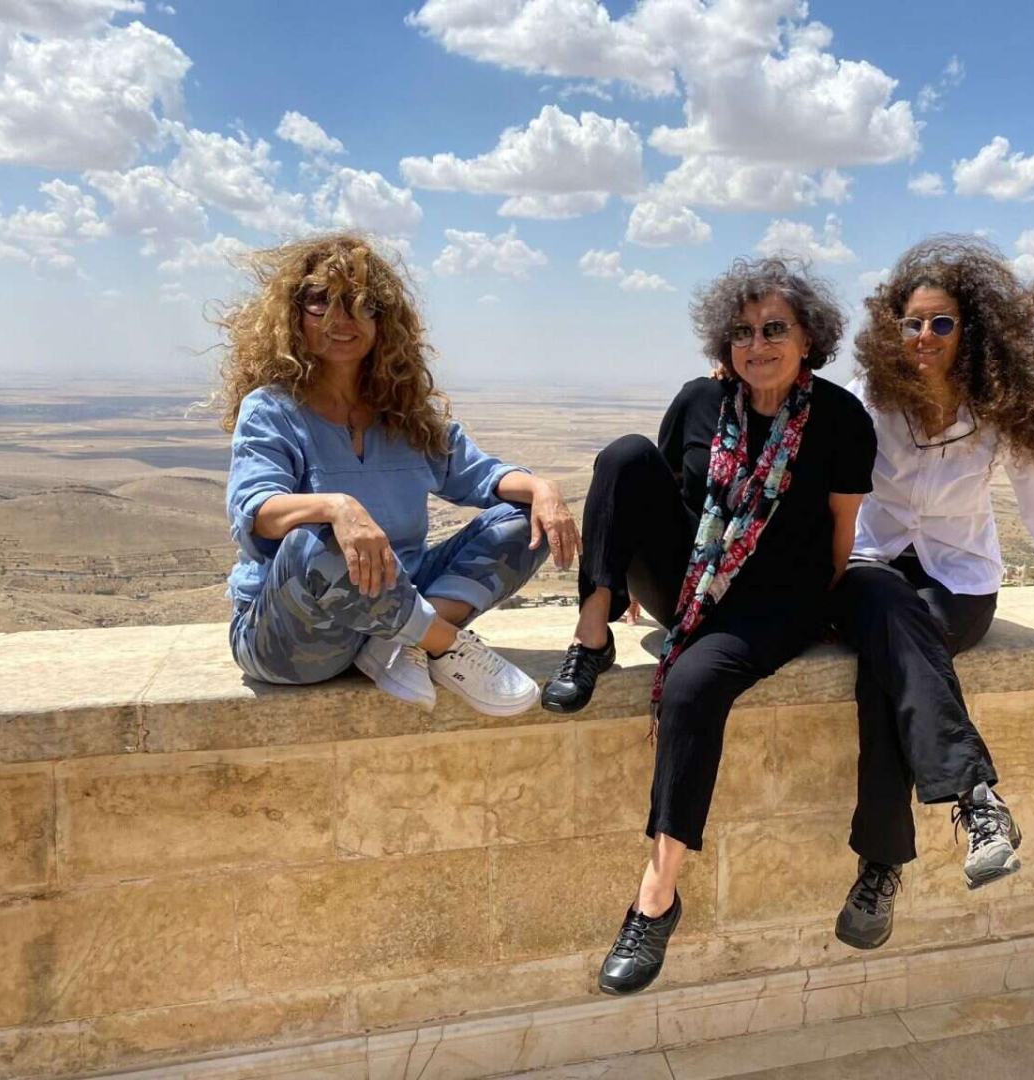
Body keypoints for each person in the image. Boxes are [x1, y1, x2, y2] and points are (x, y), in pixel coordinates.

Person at [541, 258, 876, 995]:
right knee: (622, 454)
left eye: (775, 329)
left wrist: (816, 610)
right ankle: (591, 636)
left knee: (692, 686)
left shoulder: (842, 419)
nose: (757, 344)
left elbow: (840, 535)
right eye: (742, 332)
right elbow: (648, 491)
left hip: (775, 602)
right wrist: (637, 583)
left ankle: (655, 897)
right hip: (694, 586)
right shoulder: (699, 401)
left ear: (810, 338)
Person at [831, 235, 1034, 950]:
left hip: (958, 582)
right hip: (871, 570)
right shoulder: (868, 399)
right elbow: (801, 449)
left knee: (888, 667)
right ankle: (977, 802)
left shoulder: (999, 410)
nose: (924, 335)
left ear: (971, 332)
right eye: (912, 322)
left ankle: (881, 867)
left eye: (941, 322)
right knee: (888, 610)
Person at [219, 233, 579, 715]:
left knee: (523, 517)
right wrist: (336, 507)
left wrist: (542, 489)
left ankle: (401, 642)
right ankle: (440, 642)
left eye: (360, 303)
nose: (341, 319)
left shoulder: (404, 414)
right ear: (293, 313)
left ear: (383, 319)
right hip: (294, 635)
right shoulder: (272, 409)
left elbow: (482, 475)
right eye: (322, 301)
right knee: (315, 536)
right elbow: (256, 510)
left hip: (388, 608)